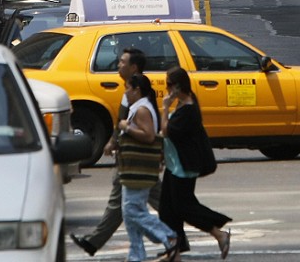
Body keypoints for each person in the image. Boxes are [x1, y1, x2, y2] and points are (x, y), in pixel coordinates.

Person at [70, 47, 168, 257]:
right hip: (131, 160)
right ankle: (108, 246)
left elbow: (144, 127)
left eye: (122, 61)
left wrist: (118, 137)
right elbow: (123, 121)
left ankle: (173, 238)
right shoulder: (131, 90)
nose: (118, 64)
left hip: (137, 161)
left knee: (133, 209)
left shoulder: (138, 91)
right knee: (127, 207)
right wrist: (114, 140)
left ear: (133, 67)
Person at [159, 67, 231, 261]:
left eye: (168, 85)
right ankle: (174, 251)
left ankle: (218, 233)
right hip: (174, 165)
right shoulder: (184, 103)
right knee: (167, 209)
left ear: (177, 87)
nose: (166, 90)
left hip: (183, 167)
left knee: (184, 207)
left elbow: (166, 131)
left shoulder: (188, 109)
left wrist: (165, 107)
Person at [118, 73, 178, 262]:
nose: (125, 92)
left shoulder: (142, 109)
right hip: (133, 170)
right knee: (129, 213)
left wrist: (127, 128)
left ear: (137, 90)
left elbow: (149, 136)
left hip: (139, 169)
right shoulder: (139, 107)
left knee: (132, 211)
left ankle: (168, 236)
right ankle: (136, 254)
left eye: (128, 88)